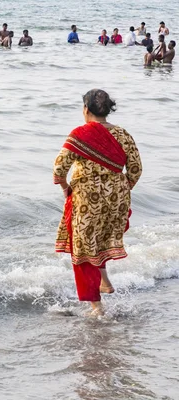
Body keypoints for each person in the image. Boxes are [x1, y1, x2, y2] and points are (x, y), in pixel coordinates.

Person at [53, 89, 142, 315]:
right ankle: (105, 281)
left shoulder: (80, 134)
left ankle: (97, 306)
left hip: (87, 199)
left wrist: (65, 187)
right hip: (117, 198)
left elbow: (59, 169)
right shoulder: (123, 134)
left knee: (82, 249)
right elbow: (135, 169)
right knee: (101, 239)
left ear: (85, 110)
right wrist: (119, 191)